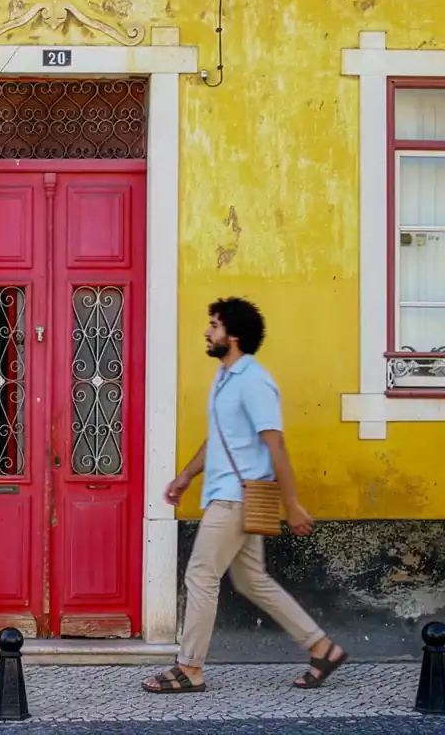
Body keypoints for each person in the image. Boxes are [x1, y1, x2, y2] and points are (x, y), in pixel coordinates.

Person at [141, 297, 347, 694]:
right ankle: (322, 647)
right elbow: (219, 437)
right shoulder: (225, 378)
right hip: (229, 495)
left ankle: (190, 668)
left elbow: (276, 446)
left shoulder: (255, 382)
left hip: (237, 498)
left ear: (233, 336)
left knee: (201, 575)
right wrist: (186, 474)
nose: (207, 331)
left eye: (214, 325)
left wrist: (292, 506)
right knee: (252, 580)